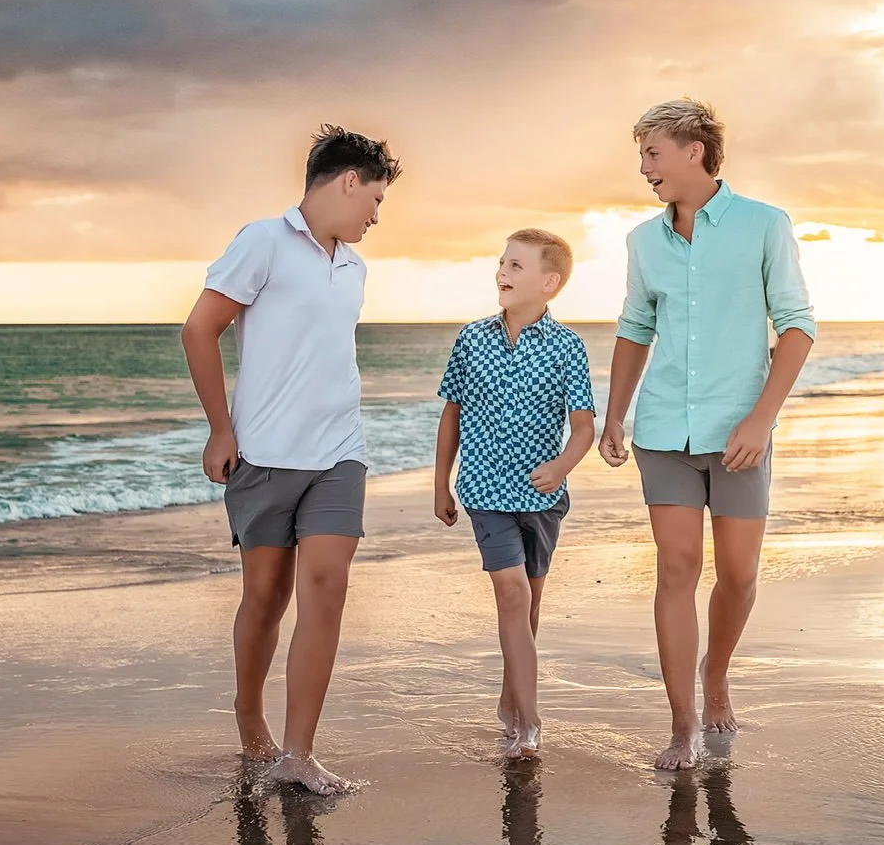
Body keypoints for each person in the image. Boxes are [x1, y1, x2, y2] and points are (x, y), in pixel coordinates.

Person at [181, 125, 402, 794]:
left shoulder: (355, 268)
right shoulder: (263, 242)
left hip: (341, 452)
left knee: (327, 588)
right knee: (267, 597)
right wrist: (221, 430)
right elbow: (199, 329)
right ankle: (251, 720)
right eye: (376, 199)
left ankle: (299, 754)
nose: (375, 215)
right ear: (347, 181)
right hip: (266, 454)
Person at [598, 100, 814, 771]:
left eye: (652, 154)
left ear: (694, 150)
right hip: (664, 428)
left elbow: (798, 327)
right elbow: (636, 329)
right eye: (640, 156)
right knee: (677, 567)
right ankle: (683, 723)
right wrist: (616, 415)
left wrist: (761, 418)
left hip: (739, 431)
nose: (643, 169)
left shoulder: (764, 226)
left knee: (741, 574)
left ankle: (715, 670)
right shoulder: (643, 241)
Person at [433, 230, 597, 759]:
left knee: (529, 606)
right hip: (483, 489)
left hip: (541, 496)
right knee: (511, 595)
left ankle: (511, 698)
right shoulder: (471, 339)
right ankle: (529, 722)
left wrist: (561, 467)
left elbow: (583, 428)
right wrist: (441, 481)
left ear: (548, 283)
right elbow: (451, 414)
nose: (503, 271)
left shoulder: (567, 346)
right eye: (503, 262)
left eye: (517, 266)